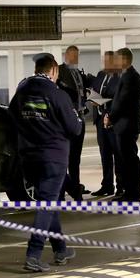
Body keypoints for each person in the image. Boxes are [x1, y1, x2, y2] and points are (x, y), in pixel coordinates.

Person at [9, 54, 82, 272]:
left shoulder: (21, 92)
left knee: (48, 201)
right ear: (53, 71)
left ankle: (60, 249)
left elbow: (12, 118)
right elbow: (75, 129)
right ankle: (33, 254)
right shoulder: (57, 94)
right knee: (46, 204)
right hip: (53, 157)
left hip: (28, 157)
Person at [105, 48, 140, 202]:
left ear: (125, 60)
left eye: (118, 59)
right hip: (124, 124)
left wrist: (110, 117)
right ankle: (129, 191)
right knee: (126, 159)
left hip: (127, 125)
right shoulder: (127, 75)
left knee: (129, 160)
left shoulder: (131, 77)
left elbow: (123, 102)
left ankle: (132, 193)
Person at [58, 45, 90, 199]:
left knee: (75, 158)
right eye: (72, 56)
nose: (75, 59)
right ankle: (62, 191)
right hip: (66, 121)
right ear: (66, 56)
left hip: (80, 118)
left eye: (77, 56)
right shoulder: (59, 72)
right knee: (64, 157)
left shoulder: (79, 73)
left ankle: (76, 189)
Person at [90, 51, 123, 197]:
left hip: (113, 121)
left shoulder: (119, 78)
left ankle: (121, 186)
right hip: (99, 120)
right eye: (104, 61)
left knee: (118, 155)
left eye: (108, 61)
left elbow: (118, 99)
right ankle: (107, 185)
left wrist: (109, 111)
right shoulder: (100, 75)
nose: (105, 64)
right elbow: (95, 91)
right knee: (105, 155)